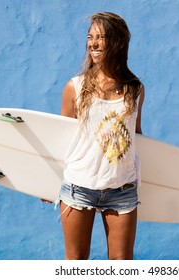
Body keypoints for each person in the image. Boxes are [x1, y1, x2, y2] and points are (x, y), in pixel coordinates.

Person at [58, 12, 145, 260]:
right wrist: (45, 181)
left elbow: (136, 136)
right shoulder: (75, 86)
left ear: (117, 42)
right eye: (90, 37)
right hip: (78, 186)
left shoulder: (135, 89)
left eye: (101, 38)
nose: (93, 43)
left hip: (122, 188)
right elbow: (62, 139)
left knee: (122, 265)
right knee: (76, 263)